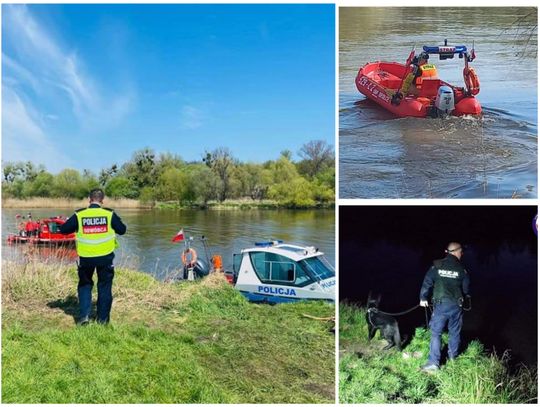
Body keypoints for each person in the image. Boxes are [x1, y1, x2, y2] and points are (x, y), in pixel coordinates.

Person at [60, 188, 126, 325]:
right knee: (104, 287)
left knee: (85, 285)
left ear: (89, 200)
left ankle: (84, 317)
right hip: (105, 258)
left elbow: (64, 230)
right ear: (102, 200)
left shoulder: (80, 215)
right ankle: (102, 320)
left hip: (86, 258)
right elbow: (122, 230)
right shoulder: (109, 214)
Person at [419, 242, 470, 372]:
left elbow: (427, 282)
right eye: (461, 251)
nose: (462, 253)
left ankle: (433, 363)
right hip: (457, 305)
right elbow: (466, 289)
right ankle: (453, 359)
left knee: (436, 332)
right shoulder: (462, 269)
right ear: (455, 252)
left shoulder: (437, 266)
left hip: (441, 305)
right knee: (455, 332)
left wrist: (423, 298)